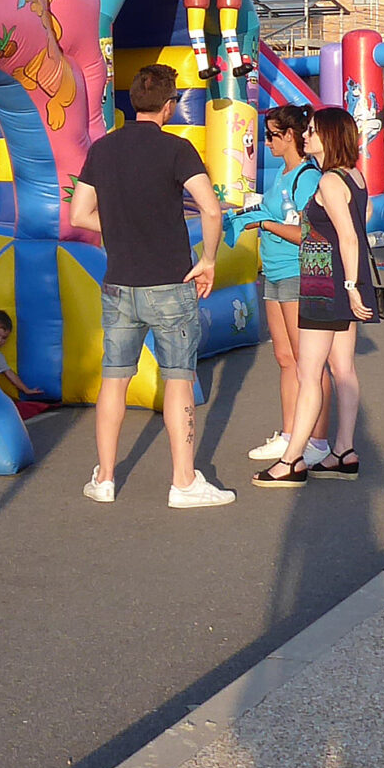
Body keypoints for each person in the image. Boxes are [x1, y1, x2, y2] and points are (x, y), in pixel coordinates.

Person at [65, 62, 234, 509]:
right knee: (178, 378)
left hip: (119, 283)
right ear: (169, 105)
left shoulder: (103, 149)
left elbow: (79, 214)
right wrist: (209, 260)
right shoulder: (177, 149)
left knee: (114, 379)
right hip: (170, 282)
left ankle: (104, 477)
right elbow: (211, 210)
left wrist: (120, 228)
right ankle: (183, 481)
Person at [254, 107, 376, 487]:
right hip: (344, 280)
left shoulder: (329, 181)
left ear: (330, 136)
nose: (306, 136)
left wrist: (349, 286)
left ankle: (292, 459)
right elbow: (363, 219)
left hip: (326, 283)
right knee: (343, 369)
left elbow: (349, 236)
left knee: (309, 373)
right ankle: (343, 450)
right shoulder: (354, 177)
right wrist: (354, 283)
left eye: (312, 131)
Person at [234, 105, 331, 471]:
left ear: (290, 136)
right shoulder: (281, 171)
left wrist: (265, 224)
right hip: (274, 271)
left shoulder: (307, 176)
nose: (268, 142)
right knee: (285, 357)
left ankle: (318, 439)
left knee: (310, 362)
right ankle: (291, 433)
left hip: (297, 271)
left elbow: (309, 232)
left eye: (272, 135)